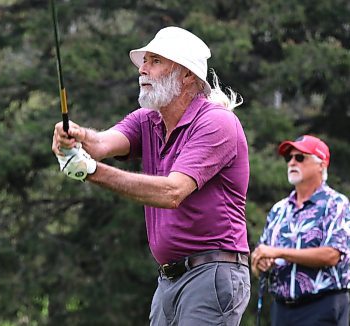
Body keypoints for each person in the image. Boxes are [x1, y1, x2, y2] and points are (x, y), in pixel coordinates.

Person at [52, 26, 250, 325]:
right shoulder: (148, 120)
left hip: (212, 274)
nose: (142, 69)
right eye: (144, 61)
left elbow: (172, 192)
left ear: (187, 76)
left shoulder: (217, 123)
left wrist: (91, 171)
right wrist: (75, 137)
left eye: (155, 61)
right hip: (169, 280)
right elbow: (100, 144)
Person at [251, 135, 350, 326]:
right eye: (288, 158)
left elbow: (331, 255)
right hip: (281, 309)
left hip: (322, 306)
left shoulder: (336, 204)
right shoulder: (279, 210)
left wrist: (279, 252)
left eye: (300, 157)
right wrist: (260, 263)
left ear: (321, 165)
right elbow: (260, 254)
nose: (291, 162)